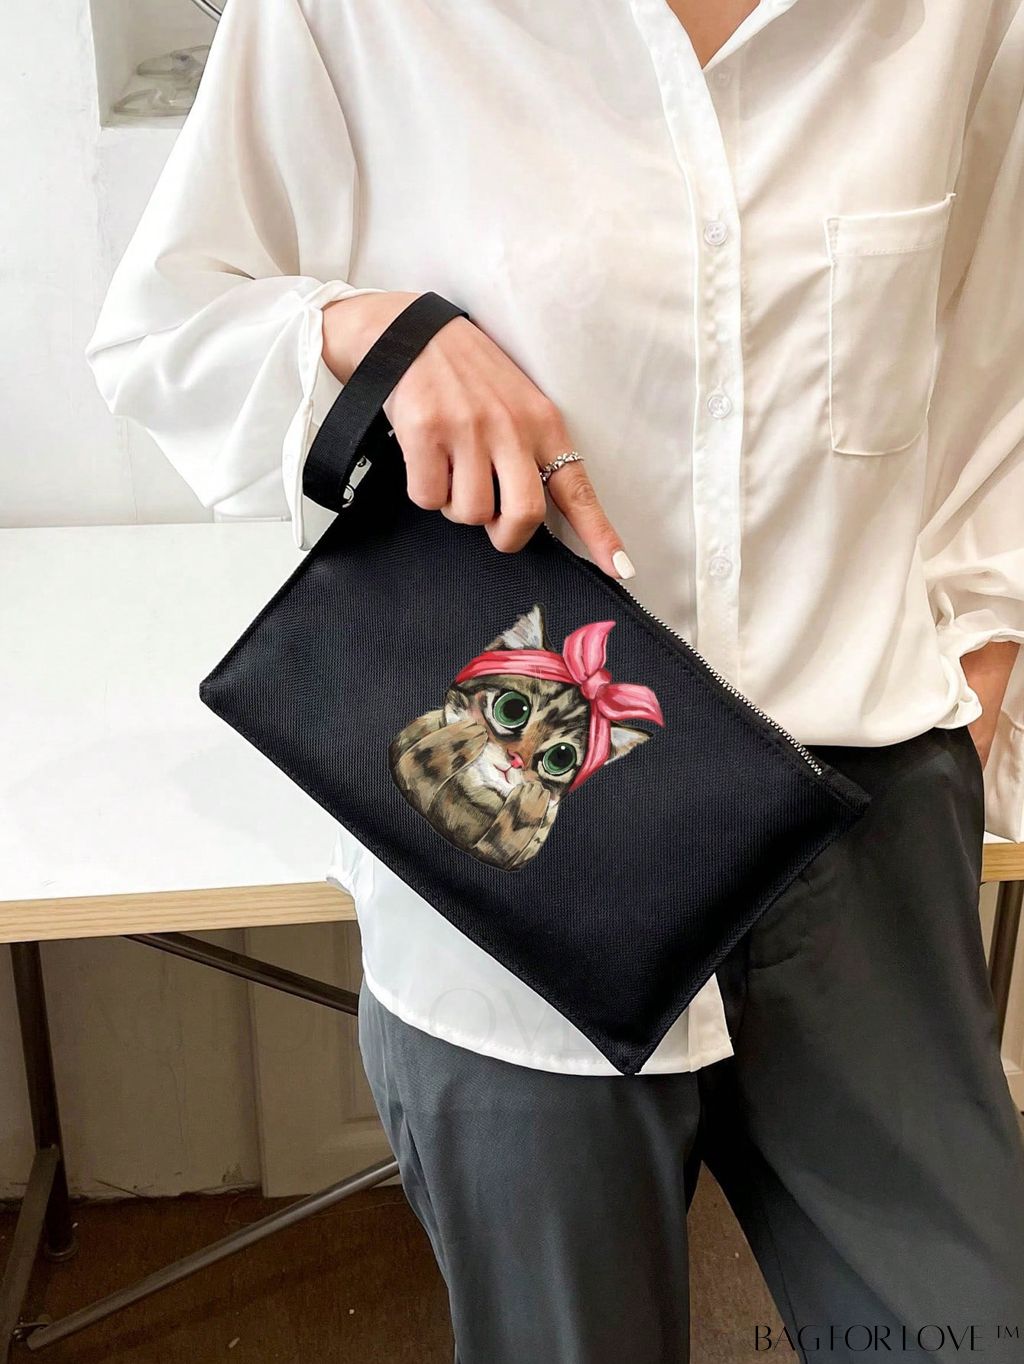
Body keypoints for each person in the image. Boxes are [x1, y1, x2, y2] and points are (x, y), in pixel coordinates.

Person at [85, 0, 1024, 1358]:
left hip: (858, 826)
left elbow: (997, 357)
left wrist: (983, 661)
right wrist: (371, 331)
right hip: (518, 850)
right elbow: (166, 330)